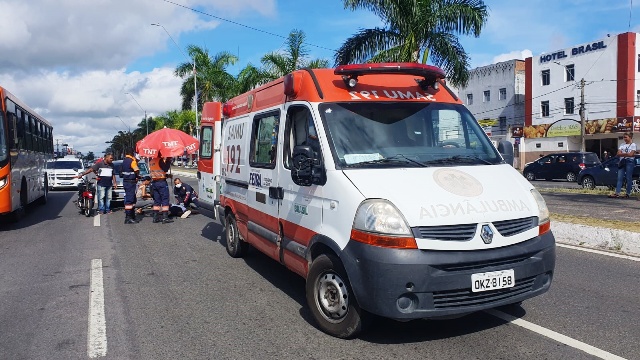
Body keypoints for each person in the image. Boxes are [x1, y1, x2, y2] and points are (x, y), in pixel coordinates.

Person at [609, 132, 636, 198]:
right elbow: (618, 153)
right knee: (619, 178)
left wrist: (623, 154)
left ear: (630, 137)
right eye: (624, 137)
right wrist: (627, 154)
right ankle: (617, 193)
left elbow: (631, 154)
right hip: (622, 162)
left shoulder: (633, 145)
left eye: (626, 137)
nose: (624, 139)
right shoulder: (622, 144)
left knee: (628, 178)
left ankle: (628, 193)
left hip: (630, 162)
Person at [149, 151, 174, 223]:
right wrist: (169, 160)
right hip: (161, 183)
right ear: (160, 154)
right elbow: (165, 169)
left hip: (154, 183)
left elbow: (157, 172)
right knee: (165, 199)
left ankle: (155, 217)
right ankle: (165, 217)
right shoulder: (160, 160)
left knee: (157, 200)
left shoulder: (151, 161)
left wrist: (166, 176)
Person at [121, 148, 140, 224]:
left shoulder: (124, 161)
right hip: (130, 182)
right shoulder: (132, 161)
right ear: (132, 153)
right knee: (130, 200)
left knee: (131, 199)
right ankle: (128, 218)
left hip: (126, 182)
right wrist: (137, 175)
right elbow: (136, 170)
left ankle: (131, 216)